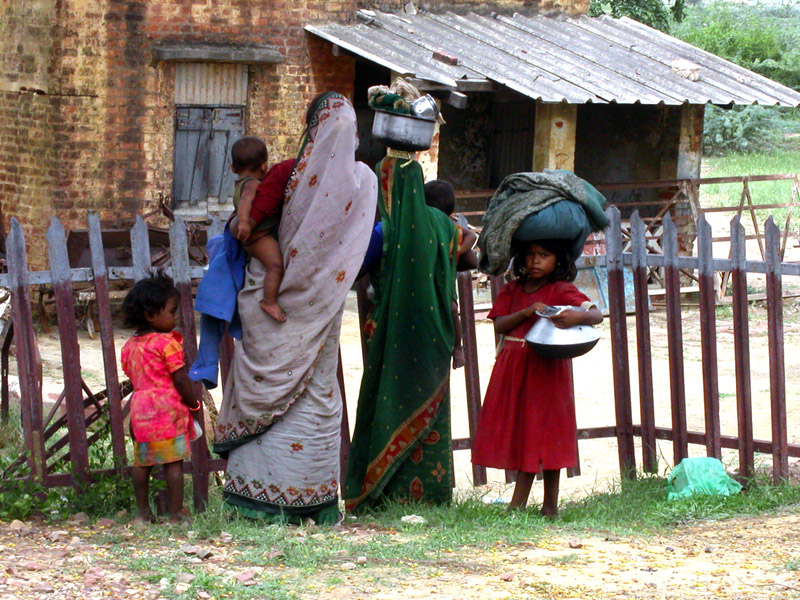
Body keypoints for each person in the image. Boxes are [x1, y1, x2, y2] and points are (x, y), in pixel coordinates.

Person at [213, 92, 377, 524]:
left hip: (282, 297)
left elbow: (248, 222)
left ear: (312, 130)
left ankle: (267, 504)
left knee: (315, 392)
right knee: (319, 395)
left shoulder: (291, 172)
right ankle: (308, 502)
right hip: (320, 306)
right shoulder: (362, 181)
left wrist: (241, 226)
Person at [344, 160, 465, 512]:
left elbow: (357, 268)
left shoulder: (387, 229)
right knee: (432, 411)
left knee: (388, 402)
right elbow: (471, 254)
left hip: (390, 334)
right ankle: (432, 493)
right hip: (436, 335)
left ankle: (383, 490)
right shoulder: (445, 227)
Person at [471, 239, 603, 517]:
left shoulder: (561, 290)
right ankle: (519, 504)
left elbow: (595, 314)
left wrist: (573, 316)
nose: (535, 261)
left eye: (544, 255)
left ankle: (549, 506)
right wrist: (527, 311)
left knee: (550, 433)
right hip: (513, 367)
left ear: (559, 260)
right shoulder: (513, 289)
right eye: (530, 255)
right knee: (523, 432)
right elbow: (499, 324)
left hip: (548, 368)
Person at [120, 270, 201, 524]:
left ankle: (143, 514)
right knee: (172, 463)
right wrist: (193, 403)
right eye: (172, 311)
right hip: (167, 408)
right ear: (150, 314)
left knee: (142, 463)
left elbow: (133, 378)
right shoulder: (167, 344)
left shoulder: (129, 346)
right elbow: (179, 378)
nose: (175, 317)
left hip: (141, 408)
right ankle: (176, 514)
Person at [228, 136, 287, 322]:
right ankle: (269, 301)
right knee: (276, 266)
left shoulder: (239, 183)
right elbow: (246, 202)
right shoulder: (252, 184)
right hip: (258, 239)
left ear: (233, 168)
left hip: (254, 239)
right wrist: (245, 222)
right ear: (263, 166)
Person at [424, 179, 477, 369]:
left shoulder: (450, 225)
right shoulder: (421, 224)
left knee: (453, 309)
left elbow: (472, 236)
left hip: (444, 278)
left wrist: (458, 251)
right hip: (426, 279)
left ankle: (457, 347)